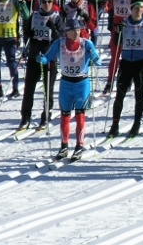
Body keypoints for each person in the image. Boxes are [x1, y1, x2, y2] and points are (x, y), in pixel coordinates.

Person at [37, 18, 101, 159]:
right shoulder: (59, 44)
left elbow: (98, 60)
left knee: (80, 115)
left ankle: (79, 146)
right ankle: (64, 146)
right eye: (73, 30)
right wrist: (42, 59)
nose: (77, 33)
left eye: (78, 30)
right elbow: (47, 58)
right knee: (65, 116)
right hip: (66, 83)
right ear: (67, 32)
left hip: (81, 83)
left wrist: (95, 58)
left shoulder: (86, 44)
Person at [107, 0, 143, 139]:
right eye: (136, 8)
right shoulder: (123, 23)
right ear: (131, 9)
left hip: (140, 63)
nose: (139, 10)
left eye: (141, 8)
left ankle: (136, 124)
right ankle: (114, 125)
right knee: (120, 94)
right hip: (126, 62)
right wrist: (117, 31)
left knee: (139, 94)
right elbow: (116, 42)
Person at [19, 0, 63, 131]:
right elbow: (26, 31)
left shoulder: (56, 18)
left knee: (47, 90)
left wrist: (54, 30)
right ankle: (25, 117)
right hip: (34, 57)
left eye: (49, 1)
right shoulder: (35, 16)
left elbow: (61, 39)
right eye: (44, 2)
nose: (46, 4)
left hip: (49, 59)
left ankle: (45, 116)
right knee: (28, 89)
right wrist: (29, 34)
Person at [0, 0, 29, 99]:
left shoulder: (13, 1)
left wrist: (22, 1)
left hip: (10, 36)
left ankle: (15, 88)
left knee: (11, 63)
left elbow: (26, 15)